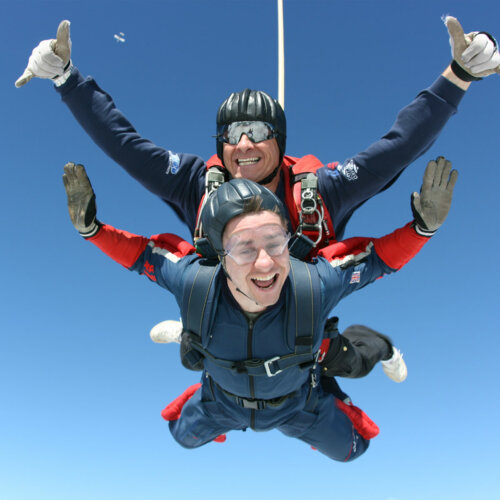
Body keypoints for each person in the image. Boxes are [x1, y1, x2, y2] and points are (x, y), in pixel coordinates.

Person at [16, 16, 497, 378]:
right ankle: (195, 335)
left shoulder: (321, 193)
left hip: (304, 315)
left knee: (339, 367)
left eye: (258, 131)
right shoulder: (193, 184)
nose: (243, 145)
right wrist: (66, 79)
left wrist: (457, 77)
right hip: (230, 305)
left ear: (280, 141)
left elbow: (396, 149)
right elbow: (124, 144)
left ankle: (379, 346)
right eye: (231, 134)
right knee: (208, 360)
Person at [61, 156, 457, 460]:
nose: (266, 263)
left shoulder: (314, 283)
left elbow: (377, 260)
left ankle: (369, 345)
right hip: (222, 403)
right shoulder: (194, 281)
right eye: (244, 248)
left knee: (353, 450)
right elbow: (142, 254)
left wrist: (424, 227)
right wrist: (90, 230)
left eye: (275, 241)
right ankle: (194, 337)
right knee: (180, 437)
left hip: (299, 404)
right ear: (218, 256)